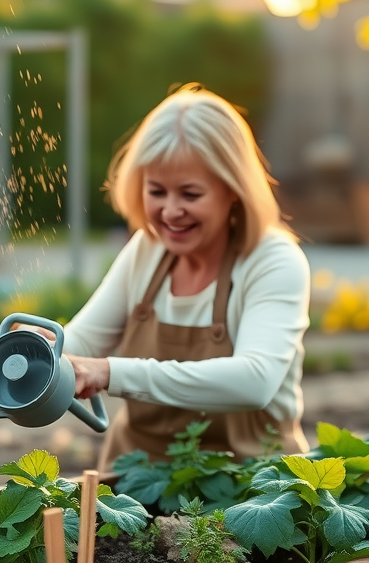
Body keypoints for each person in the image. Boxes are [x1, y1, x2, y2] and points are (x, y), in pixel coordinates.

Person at [58, 83, 311, 469]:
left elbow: (254, 381)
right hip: (136, 480)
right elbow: (82, 343)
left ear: (233, 191)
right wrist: (43, 347)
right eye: (156, 191)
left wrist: (111, 372)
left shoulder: (273, 261)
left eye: (190, 195)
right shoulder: (146, 250)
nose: (171, 212)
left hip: (251, 488)